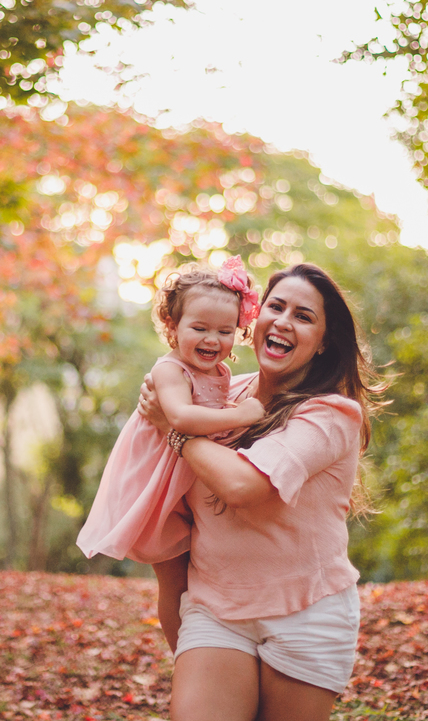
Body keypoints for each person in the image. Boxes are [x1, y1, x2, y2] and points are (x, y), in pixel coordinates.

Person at [138, 262, 386, 721]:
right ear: (256, 319)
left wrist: (174, 430)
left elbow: (241, 486)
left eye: (304, 316)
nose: (284, 321)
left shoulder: (332, 414)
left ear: (324, 342)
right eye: (276, 306)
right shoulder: (218, 398)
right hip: (217, 610)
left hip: (306, 612)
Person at [76, 257, 264, 651]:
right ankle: (184, 651)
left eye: (225, 330)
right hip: (158, 480)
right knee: (174, 583)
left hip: (188, 472)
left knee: (204, 573)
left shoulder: (221, 374)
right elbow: (179, 416)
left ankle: (221, 642)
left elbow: (207, 415)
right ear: (173, 328)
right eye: (199, 328)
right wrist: (243, 414)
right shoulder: (169, 371)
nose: (212, 339)